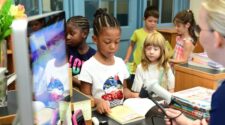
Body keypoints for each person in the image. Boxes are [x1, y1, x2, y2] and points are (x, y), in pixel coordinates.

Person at [164, 0, 225, 125]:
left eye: (200, 29)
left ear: (217, 38)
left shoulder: (221, 97)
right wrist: (187, 122)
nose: (198, 35)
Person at [79, 8, 138, 114]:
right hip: (100, 117)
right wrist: (98, 102)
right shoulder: (88, 66)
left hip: (121, 115)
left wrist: (133, 95)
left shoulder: (120, 63)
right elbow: (84, 99)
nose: (113, 47)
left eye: (117, 42)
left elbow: (124, 89)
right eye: (107, 42)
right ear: (95, 39)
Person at [124, 6, 159, 77]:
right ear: (144, 19)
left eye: (155, 21)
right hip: (137, 63)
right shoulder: (137, 32)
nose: (153, 23)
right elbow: (131, 45)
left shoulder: (157, 35)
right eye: (150, 21)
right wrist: (127, 58)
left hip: (151, 65)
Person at [66, 16, 96, 88]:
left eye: (71, 34)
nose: (67, 37)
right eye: (66, 33)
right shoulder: (66, 49)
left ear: (84, 34)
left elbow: (91, 85)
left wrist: (70, 78)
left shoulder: (93, 56)